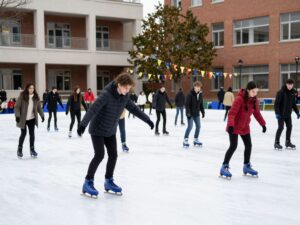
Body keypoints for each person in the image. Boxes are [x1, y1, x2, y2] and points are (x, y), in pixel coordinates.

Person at [77, 72, 154, 197]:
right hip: (97, 130)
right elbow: (93, 109)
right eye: (125, 88)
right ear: (119, 84)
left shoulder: (125, 96)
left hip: (111, 130)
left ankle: (108, 181)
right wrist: (83, 125)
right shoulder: (106, 95)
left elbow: (134, 109)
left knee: (113, 155)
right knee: (99, 155)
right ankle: (88, 182)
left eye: (129, 88)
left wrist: (147, 120)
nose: (127, 90)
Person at [220, 81, 266, 179]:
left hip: (245, 126)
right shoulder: (239, 99)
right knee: (233, 146)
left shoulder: (254, 101)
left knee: (249, 145)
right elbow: (231, 113)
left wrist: (263, 124)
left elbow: (257, 113)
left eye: (256, 91)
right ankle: (224, 166)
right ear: (248, 90)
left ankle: (246, 166)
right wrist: (231, 125)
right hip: (234, 126)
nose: (255, 94)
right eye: (253, 92)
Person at [14, 83, 44, 158]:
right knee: (23, 134)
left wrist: (42, 116)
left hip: (32, 118)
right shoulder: (22, 96)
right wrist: (17, 116)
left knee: (32, 134)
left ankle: (32, 150)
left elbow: (39, 108)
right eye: (30, 88)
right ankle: (19, 149)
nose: (31, 89)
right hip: (23, 119)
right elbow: (17, 107)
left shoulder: (36, 97)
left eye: (33, 88)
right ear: (27, 88)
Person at [274, 79, 300, 150]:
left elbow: (293, 104)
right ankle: (276, 142)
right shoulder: (281, 92)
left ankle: (288, 142)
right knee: (281, 127)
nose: (290, 86)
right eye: (288, 84)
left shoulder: (293, 92)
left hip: (288, 114)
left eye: (291, 85)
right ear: (286, 84)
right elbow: (276, 104)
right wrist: (277, 113)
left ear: (293, 85)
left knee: (290, 127)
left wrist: (297, 112)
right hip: (281, 114)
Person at [183, 82, 205, 148]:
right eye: (197, 87)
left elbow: (201, 104)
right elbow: (187, 105)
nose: (198, 88)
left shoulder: (200, 94)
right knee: (190, 126)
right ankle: (185, 140)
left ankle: (196, 139)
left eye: (199, 87)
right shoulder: (190, 95)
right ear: (194, 87)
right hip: (190, 113)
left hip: (196, 113)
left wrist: (202, 111)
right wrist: (188, 113)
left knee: (198, 126)